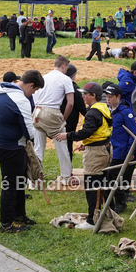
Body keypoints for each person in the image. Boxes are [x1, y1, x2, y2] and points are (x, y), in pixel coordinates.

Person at [0, 69, 43, 233]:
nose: (33, 94)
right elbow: (29, 131)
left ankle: (19, 216)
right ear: (31, 85)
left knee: (20, 181)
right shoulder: (20, 99)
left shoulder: (1, 90)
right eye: (34, 90)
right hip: (10, 147)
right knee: (11, 185)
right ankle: (6, 223)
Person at [55, 82, 112, 230]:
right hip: (103, 148)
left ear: (93, 96)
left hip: (96, 153)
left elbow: (86, 131)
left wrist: (68, 135)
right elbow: (98, 131)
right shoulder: (103, 108)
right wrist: (87, 143)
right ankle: (104, 215)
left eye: (85, 93)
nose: (83, 96)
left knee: (92, 186)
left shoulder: (93, 112)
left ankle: (92, 222)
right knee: (101, 184)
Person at [32, 55, 76, 185]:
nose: (67, 69)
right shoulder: (65, 79)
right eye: (67, 67)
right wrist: (63, 119)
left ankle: (34, 179)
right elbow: (71, 103)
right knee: (62, 144)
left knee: (38, 148)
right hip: (51, 112)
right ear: (63, 66)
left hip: (37, 112)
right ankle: (66, 177)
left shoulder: (44, 77)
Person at [104, 83, 136, 213]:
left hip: (121, 151)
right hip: (109, 149)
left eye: (111, 97)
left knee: (115, 177)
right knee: (109, 177)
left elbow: (133, 134)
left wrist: (131, 151)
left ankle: (120, 202)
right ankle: (110, 201)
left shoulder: (125, 113)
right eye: (107, 96)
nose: (108, 99)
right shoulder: (107, 111)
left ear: (118, 97)